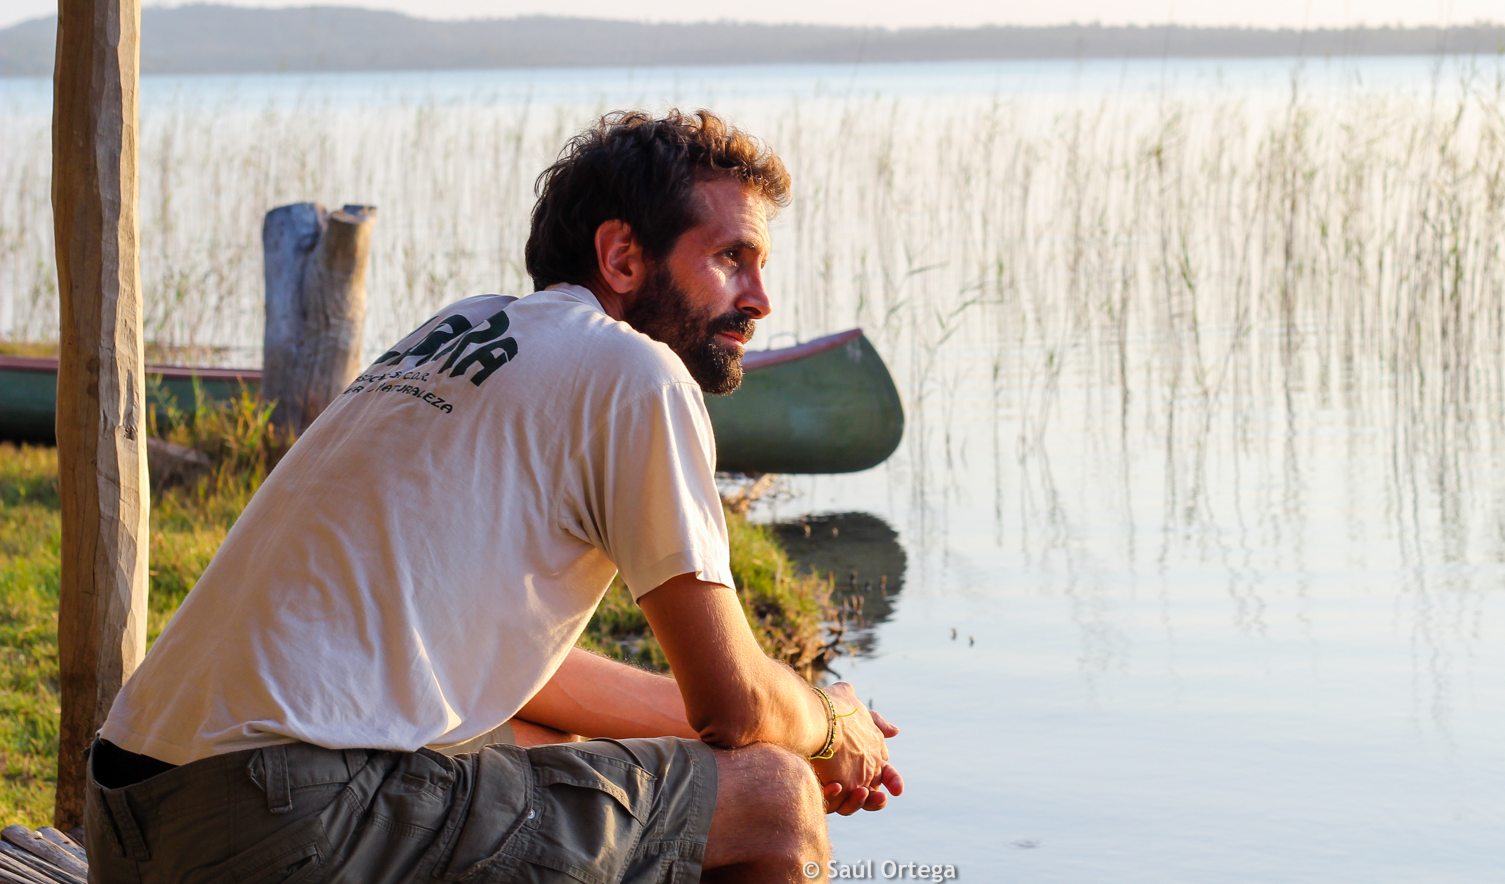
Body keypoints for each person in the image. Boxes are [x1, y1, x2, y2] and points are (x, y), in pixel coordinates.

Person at [86, 110, 902, 884]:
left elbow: (532, 680)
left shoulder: (468, 331)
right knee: (770, 798)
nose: (759, 298)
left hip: (134, 825)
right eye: (732, 258)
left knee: (540, 741)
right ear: (622, 258)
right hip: (288, 824)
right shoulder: (634, 372)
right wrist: (826, 728)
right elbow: (734, 704)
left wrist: (769, 725)